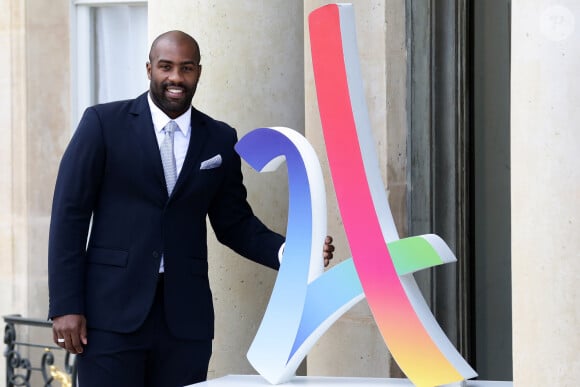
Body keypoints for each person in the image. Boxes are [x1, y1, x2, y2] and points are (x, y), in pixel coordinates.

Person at [48, 30, 334, 387]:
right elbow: (68, 217)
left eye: (186, 68)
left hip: (185, 321)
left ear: (199, 72)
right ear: (149, 68)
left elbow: (235, 223)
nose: (176, 78)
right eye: (166, 67)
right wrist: (65, 305)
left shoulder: (219, 138)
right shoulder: (103, 124)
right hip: (110, 316)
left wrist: (291, 252)